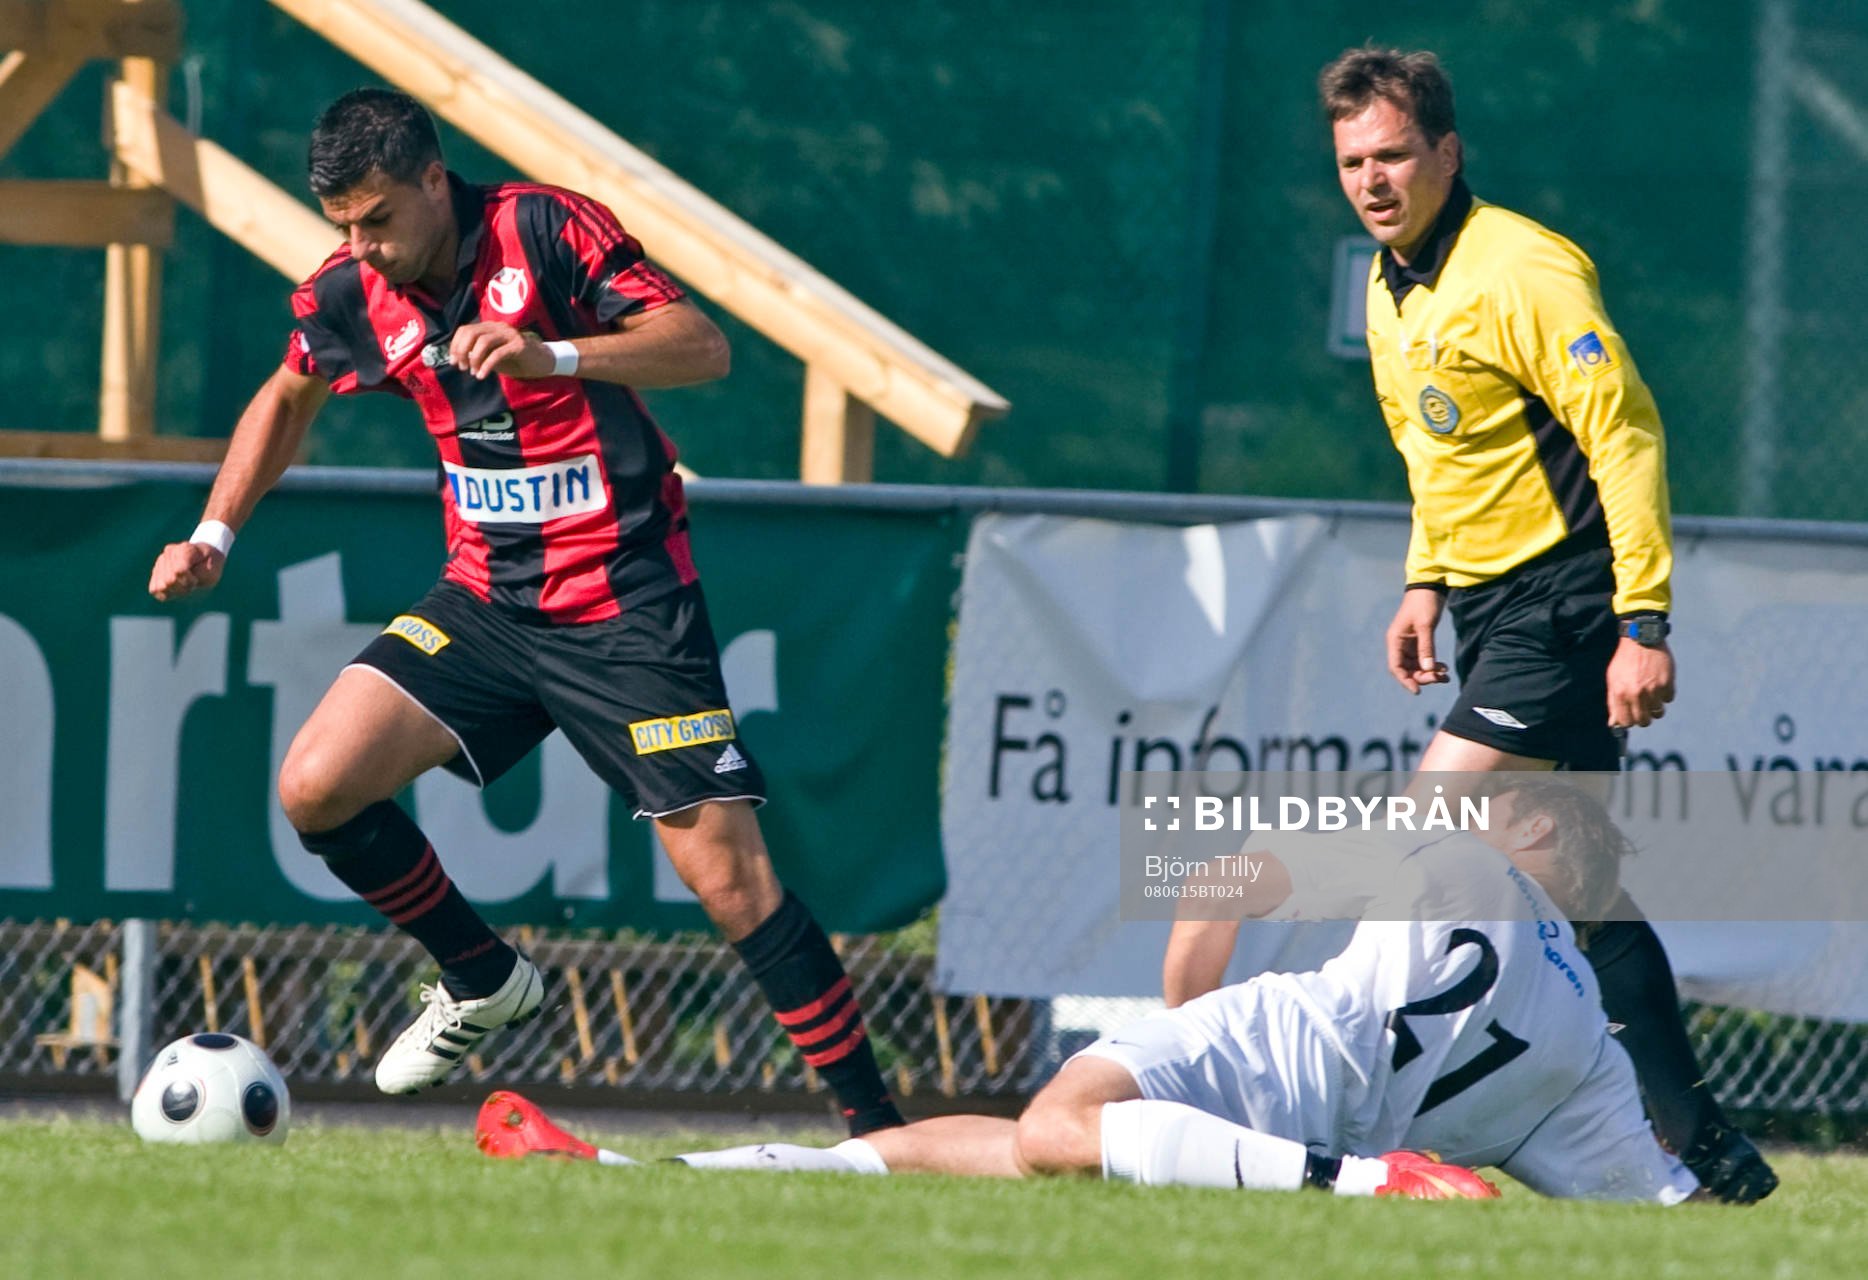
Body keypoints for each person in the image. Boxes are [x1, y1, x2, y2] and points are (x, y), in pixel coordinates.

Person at [145, 88, 902, 1135]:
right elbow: (286, 392)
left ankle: (880, 1132)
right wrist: (213, 535)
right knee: (316, 783)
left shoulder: (543, 228)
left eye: (377, 220)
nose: (362, 248)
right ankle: (482, 973)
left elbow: (700, 345)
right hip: (486, 600)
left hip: (625, 599)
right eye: (343, 228)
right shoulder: (351, 291)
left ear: (429, 178)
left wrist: (554, 352)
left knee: (729, 881)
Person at [1281, 45, 1771, 1201]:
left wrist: (1640, 620)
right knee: (1576, 885)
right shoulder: (1387, 279)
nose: (1372, 178)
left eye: (1393, 154)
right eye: (1352, 160)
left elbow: (1625, 434)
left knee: (1418, 824)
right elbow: (1437, 455)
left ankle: (1346, 1107)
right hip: (1492, 601)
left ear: (1446, 152)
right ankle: (1696, 1142)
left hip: (1564, 600)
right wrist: (1423, 580)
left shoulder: (1522, 268)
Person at [480, 782, 1704, 1205]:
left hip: (1273, 1060)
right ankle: (635, 1177)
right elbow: (1659, 1209)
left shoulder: (1454, 847)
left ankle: (1352, 1185)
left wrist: (1179, 1013)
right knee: (1014, 1144)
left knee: (1063, 1129)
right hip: (1340, 1111)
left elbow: (1224, 872)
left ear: (1537, 830)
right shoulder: (1584, 1034)